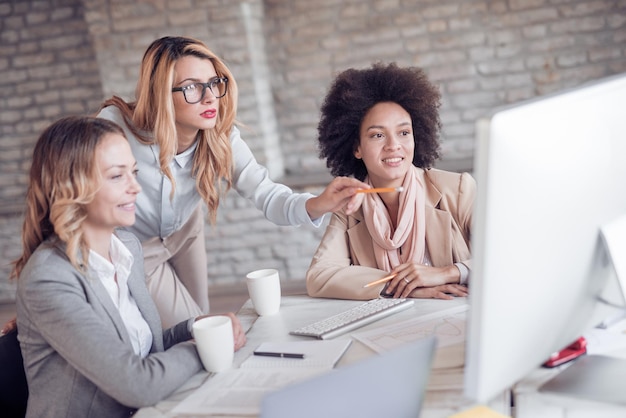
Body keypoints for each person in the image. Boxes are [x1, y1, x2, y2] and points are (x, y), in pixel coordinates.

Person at [96, 36, 369, 327]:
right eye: (191, 87)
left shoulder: (220, 136)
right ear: (160, 93)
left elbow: (266, 193)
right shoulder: (116, 125)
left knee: (201, 316)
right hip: (137, 243)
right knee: (194, 327)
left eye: (214, 83)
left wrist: (318, 203)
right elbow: (83, 188)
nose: (210, 96)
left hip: (185, 231)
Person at [13, 116, 246, 417]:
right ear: (73, 187)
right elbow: (137, 383)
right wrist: (203, 346)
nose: (135, 187)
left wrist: (197, 327)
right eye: (116, 176)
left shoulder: (126, 247)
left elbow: (148, 347)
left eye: (134, 172)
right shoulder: (48, 278)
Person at [306, 63, 473, 300]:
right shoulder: (351, 207)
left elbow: (508, 255)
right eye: (378, 135)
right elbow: (318, 277)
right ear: (356, 148)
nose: (394, 145)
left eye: (404, 132)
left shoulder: (458, 190)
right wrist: (406, 287)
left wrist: (447, 273)